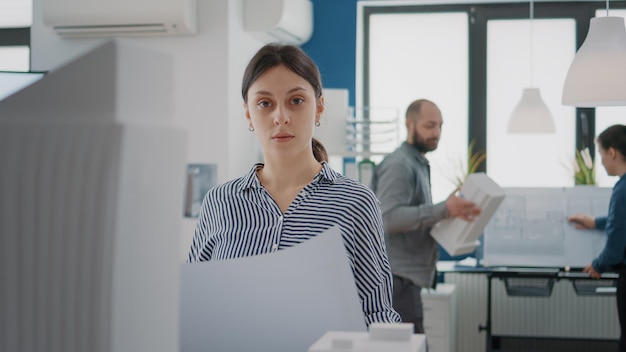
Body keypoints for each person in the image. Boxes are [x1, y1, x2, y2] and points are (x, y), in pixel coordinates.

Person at [187, 43, 401, 326]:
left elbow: (377, 313)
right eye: (265, 103)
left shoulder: (355, 202)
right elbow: (193, 307)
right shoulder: (219, 202)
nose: (281, 117)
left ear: (319, 107)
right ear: (248, 113)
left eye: (296, 101)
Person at [370, 98, 481, 333]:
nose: (437, 133)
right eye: (430, 126)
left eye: (440, 126)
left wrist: (449, 214)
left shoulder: (417, 163)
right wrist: (444, 209)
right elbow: (389, 218)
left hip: (405, 280)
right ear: (410, 125)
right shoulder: (400, 165)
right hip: (397, 281)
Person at [567, 124, 626, 352]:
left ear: (612, 152)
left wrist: (598, 264)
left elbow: (617, 240)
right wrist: (595, 222)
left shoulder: (621, 189)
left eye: (601, 154)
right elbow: (621, 222)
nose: (601, 161)